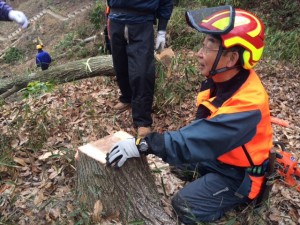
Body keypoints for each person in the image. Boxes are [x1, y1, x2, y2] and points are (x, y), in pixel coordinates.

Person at [106, 5, 273, 224]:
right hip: (220, 156)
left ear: (231, 59)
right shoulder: (219, 81)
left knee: (183, 204)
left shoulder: (247, 104)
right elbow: (199, 129)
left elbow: (196, 139)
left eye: (209, 47)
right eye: (203, 45)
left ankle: (236, 198)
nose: (199, 54)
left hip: (239, 175)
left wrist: (145, 144)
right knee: (177, 164)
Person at [108, 0, 174, 138]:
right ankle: (127, 98)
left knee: (142, 71)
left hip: (141, 21)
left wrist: (162, 30)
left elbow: (166, 1)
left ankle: (143, 121)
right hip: (115, 19)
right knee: (120, 65)